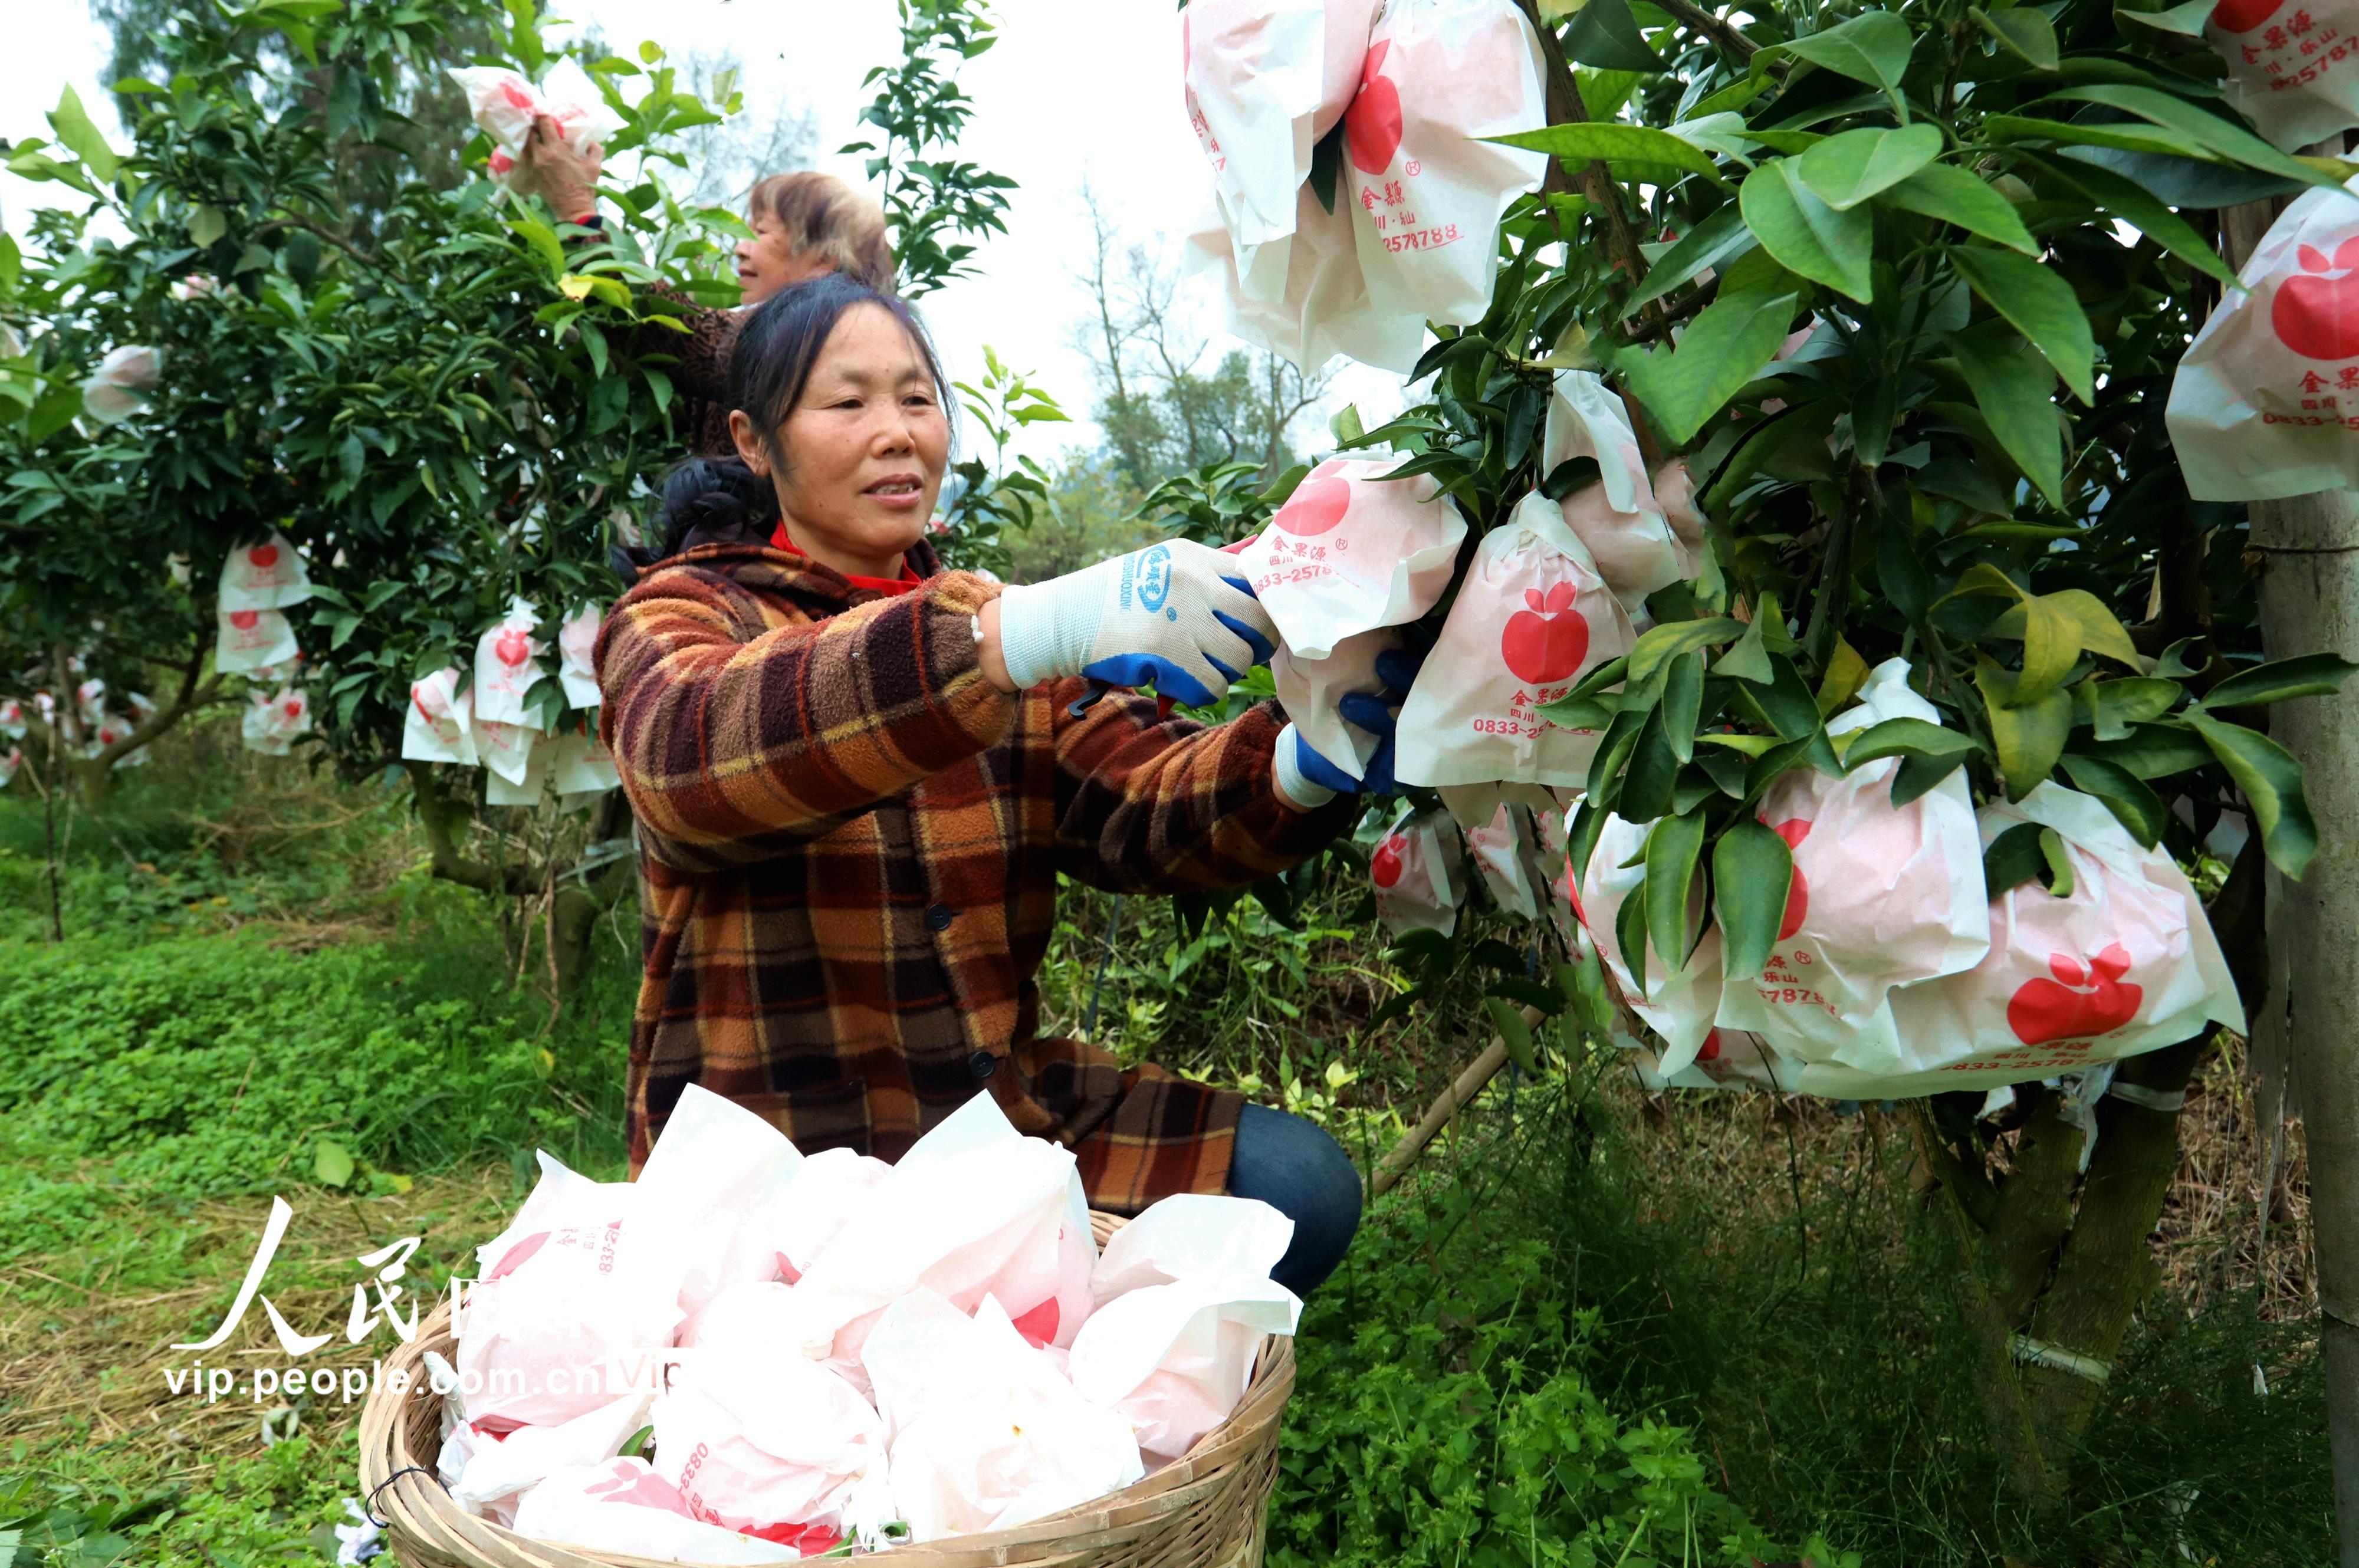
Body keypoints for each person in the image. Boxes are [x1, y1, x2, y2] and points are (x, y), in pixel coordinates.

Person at [594, 275, 1412, 1296]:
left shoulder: (993, 630)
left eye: (917, 397)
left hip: (982, 1116)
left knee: (1302, 1186)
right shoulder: (681, 615)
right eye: (847, 403)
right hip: (777, 1162)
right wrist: (1005, 637)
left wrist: (1299, 759)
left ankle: (1060, 1349)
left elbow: (1138, 799)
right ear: (754, 442)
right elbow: (693, 761)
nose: (897, 433)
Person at [510, 116, 893, 459]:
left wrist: (579, 214)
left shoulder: (821, 336)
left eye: (758, 232)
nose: (740, 246)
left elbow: (692, 340)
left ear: (824, 260)